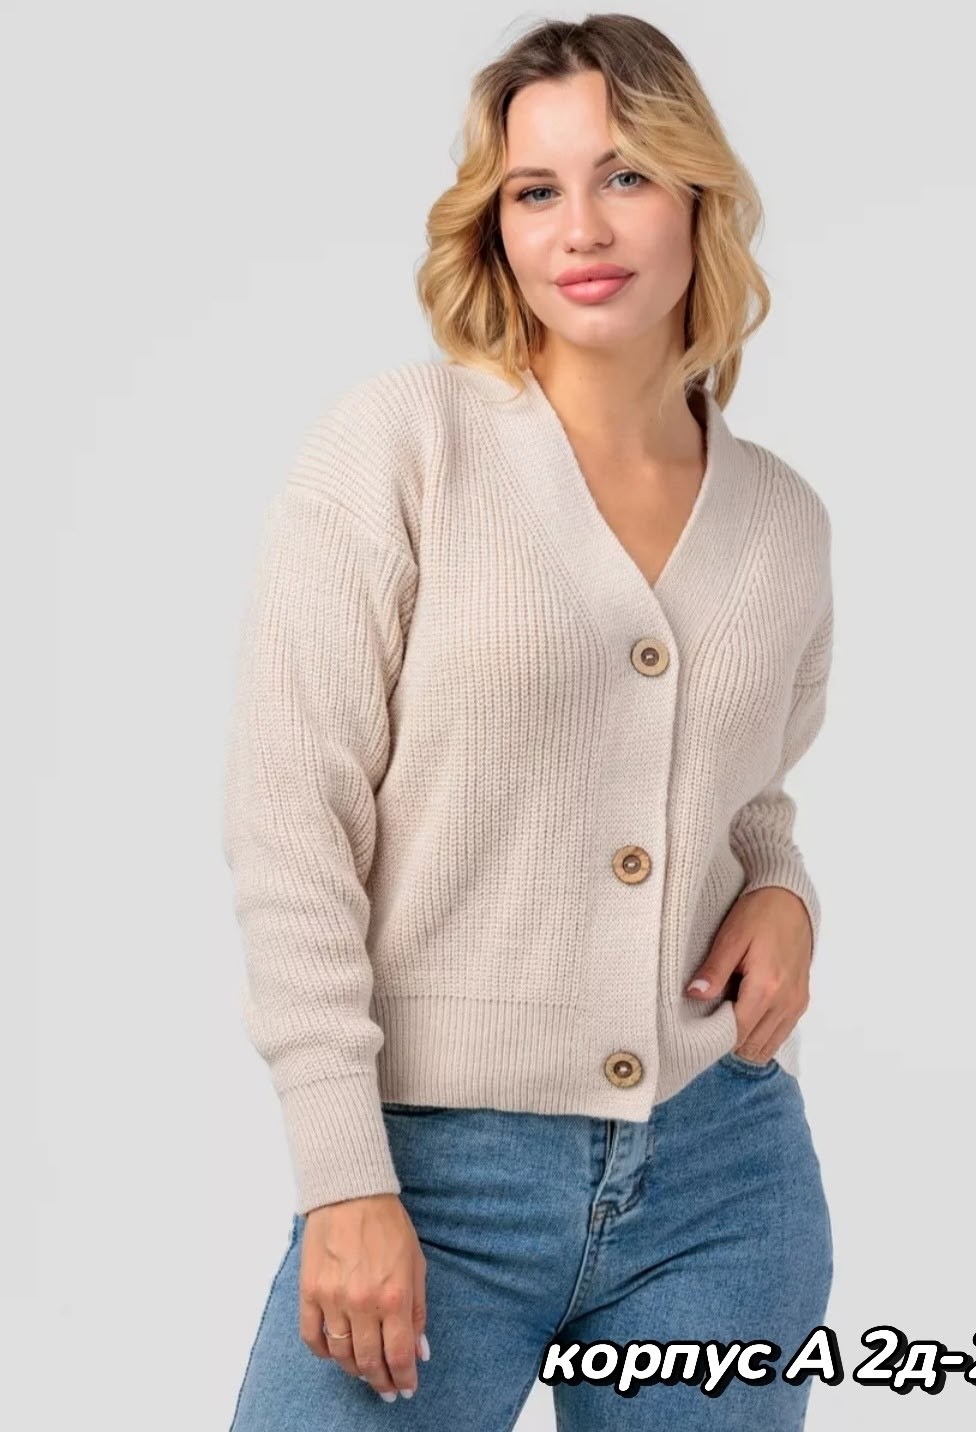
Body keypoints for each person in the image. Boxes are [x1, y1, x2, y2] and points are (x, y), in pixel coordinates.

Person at [223, 14, 835, 1430]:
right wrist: (344, 1174)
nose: (583, 228)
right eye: (536, 190)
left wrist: (784, 890)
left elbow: (749, 797)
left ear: (696, 196)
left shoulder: (783, 522)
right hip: (430, 1178)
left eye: (625, 176)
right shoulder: (401, 449)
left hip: (722, 1183)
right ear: (494, 227)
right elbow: (291, 821)